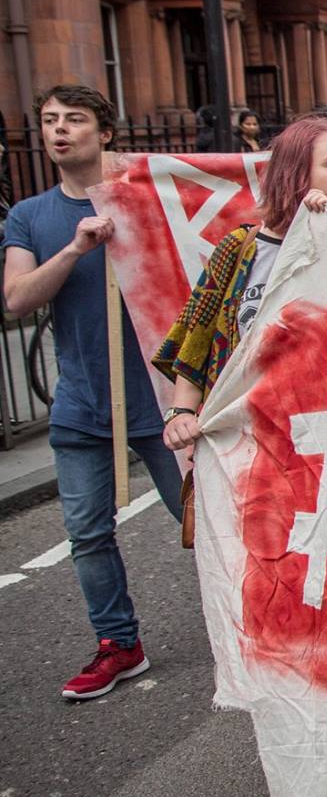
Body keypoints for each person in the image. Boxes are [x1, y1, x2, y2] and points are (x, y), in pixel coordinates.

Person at [3, 85, 185, 700]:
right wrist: (76, 248)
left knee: (203, 522)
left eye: (74, 119)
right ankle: (119, 645)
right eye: (49, 119)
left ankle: (256, 627)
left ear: (104, 132)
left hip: (162, 400)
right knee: (87, 535)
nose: (58, 130)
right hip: (81, 405)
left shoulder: (148, 199)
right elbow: (17, 298)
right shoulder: (29, 215)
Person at [158, 117, 327, 465]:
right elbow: (196, 340)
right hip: (246, 441)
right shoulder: (239, 249)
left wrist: (323, 231)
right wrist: (181, 413)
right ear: (294, 173)